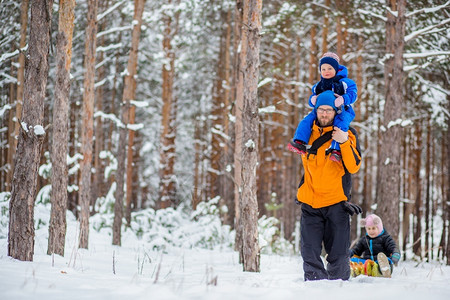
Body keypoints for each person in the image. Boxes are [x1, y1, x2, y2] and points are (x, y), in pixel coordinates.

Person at [294, 90, 362, 281]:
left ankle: (338, 290)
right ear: (315, 110)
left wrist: (344, 142)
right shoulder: (306, 132)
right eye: (321, 109)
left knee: (339, 256)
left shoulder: (347, 133)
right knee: (309, 253)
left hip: (336, 204)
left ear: (336, 111)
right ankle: (315, 290)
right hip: (310, 203)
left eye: (329, 110)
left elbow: (353, 166)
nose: (324, 114)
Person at [288, 52, 357, 162]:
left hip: (342, 110)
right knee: (307, 120)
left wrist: (344, 99)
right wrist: (312, 100)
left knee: (341, 124)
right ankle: (300, 141)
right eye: (323, 69)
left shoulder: (344, 82)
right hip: (322, 110)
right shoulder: (319, 85)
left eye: (329, 68)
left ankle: (336, 150)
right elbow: (313, 96)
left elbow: (353, 94)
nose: (326, 72)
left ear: (336, 69)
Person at [349, 214, 401, 278]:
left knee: (384, 260)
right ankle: (357, 270)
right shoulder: (364, 239)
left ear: (379, 227)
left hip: (379, 262)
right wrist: (349, 254)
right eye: (369, 229)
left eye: (373, 228)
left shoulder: (385, 238)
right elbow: (356, 251)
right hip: (368, 264)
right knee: (355, 260)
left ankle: (384, 269)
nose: (371, 231)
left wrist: (395, 254)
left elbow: (393, 247)